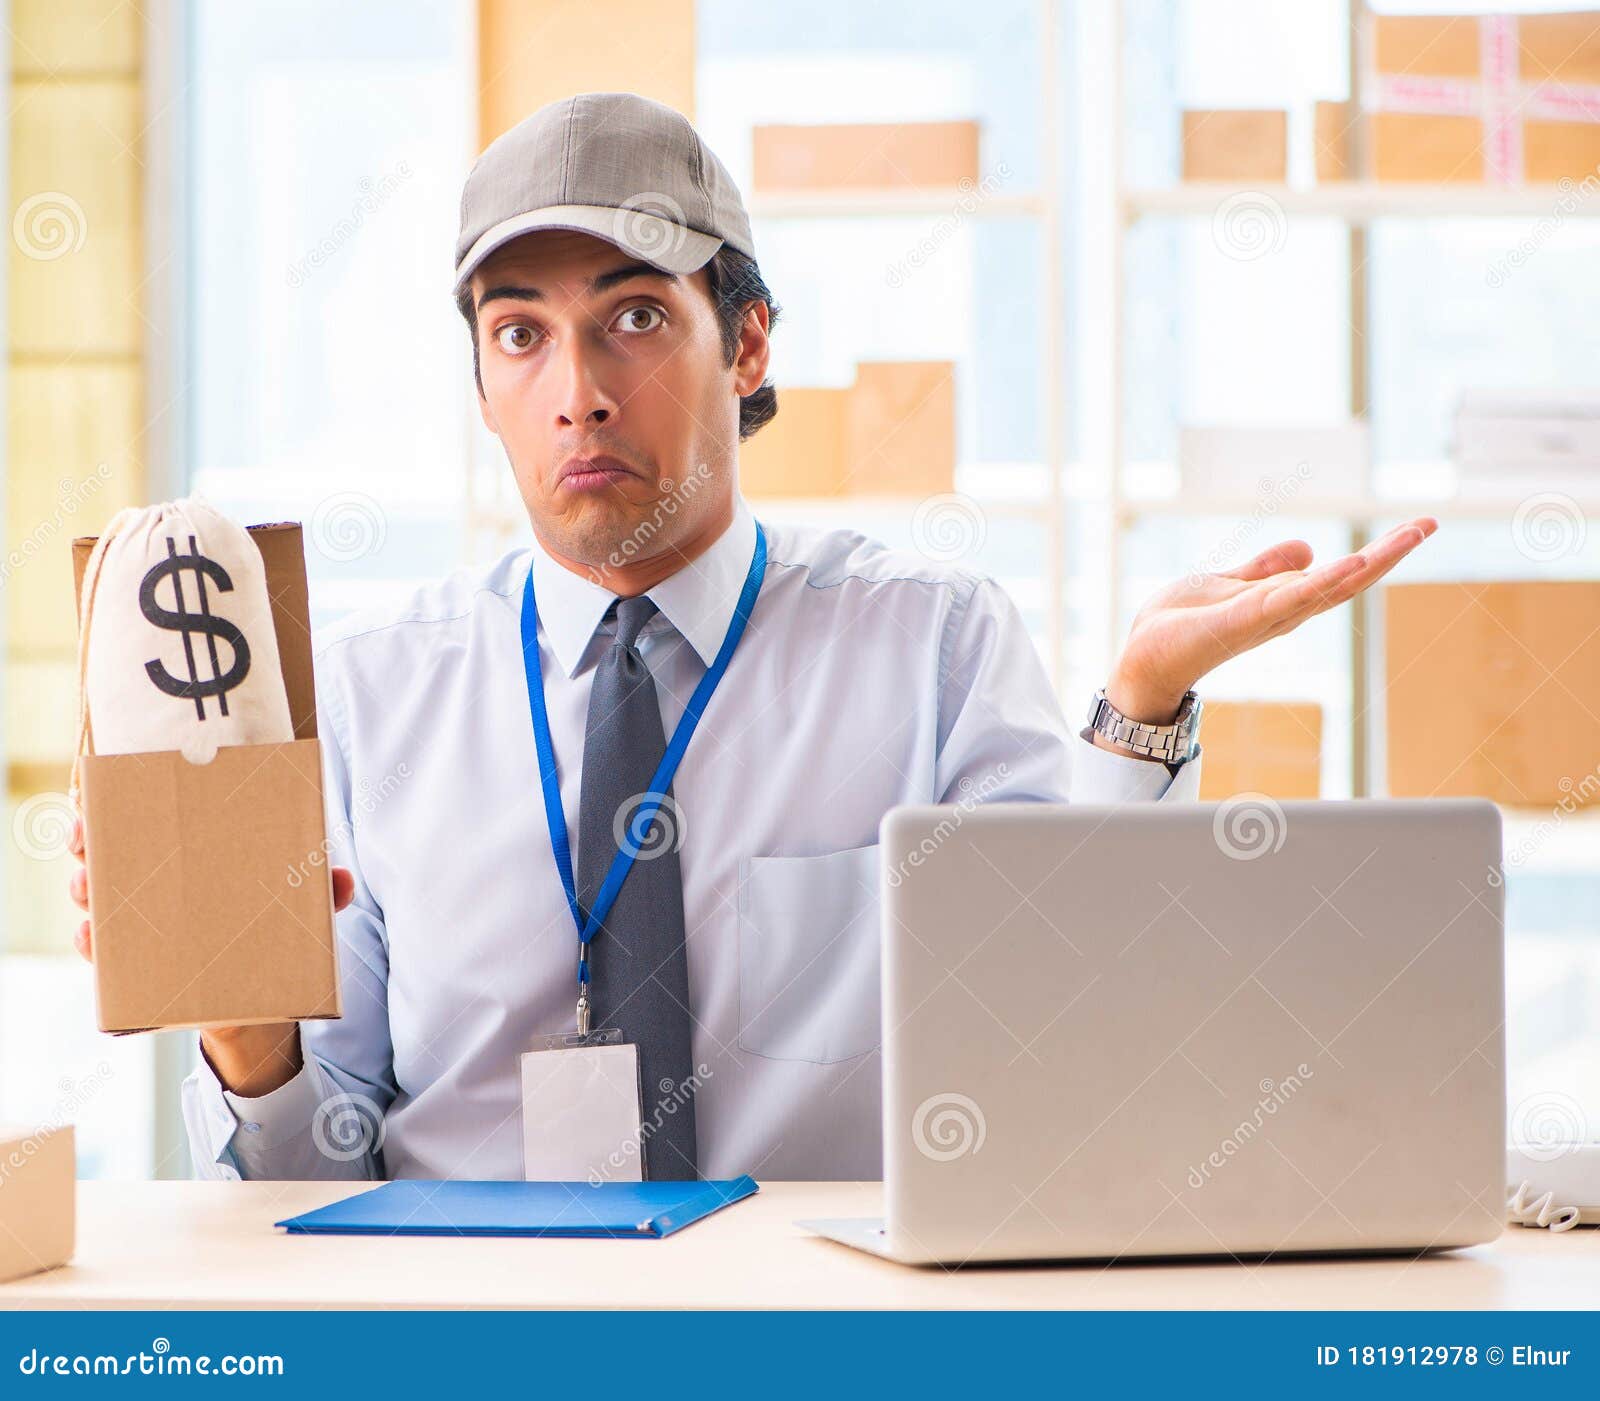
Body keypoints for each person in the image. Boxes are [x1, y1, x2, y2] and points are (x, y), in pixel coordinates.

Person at [68, 92, 1434, 1183]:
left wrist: (1139, 706)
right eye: (522, 334)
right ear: (480, 382)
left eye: (635, 318)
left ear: (751, 344)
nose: (579, 392)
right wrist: (244, 1034)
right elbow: (312, 1183)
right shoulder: (373, 695)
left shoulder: (930, 646)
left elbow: (1063, 1039)